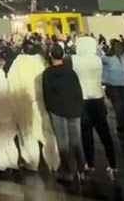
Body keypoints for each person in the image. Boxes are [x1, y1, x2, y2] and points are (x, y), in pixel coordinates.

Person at [7, 42, 57, 172]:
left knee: (28, 134)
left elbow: (12, 85)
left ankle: (32, 162)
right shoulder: (41, 61)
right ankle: (54, 162)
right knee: (47, 132)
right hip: (42, 102)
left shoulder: (17, 63)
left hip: (25, 104)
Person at [72, 36, 117, 176]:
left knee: (86, 135)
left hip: (83, 101)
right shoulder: (97, 60)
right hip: (98, 99)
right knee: (105, 134)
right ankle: (112, 164)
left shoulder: (75, 60)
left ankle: (90, 164)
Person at [42, 43, 85, 183]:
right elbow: (78, 91)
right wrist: (79, 107)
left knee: (62, 142)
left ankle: (68, 170)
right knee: (76, 140)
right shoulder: (71, 72)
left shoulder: (47, 73)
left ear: (50, 55)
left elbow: (47, 94)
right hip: (74, 109)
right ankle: (81, 169)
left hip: (57, 110)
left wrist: (50, 108)